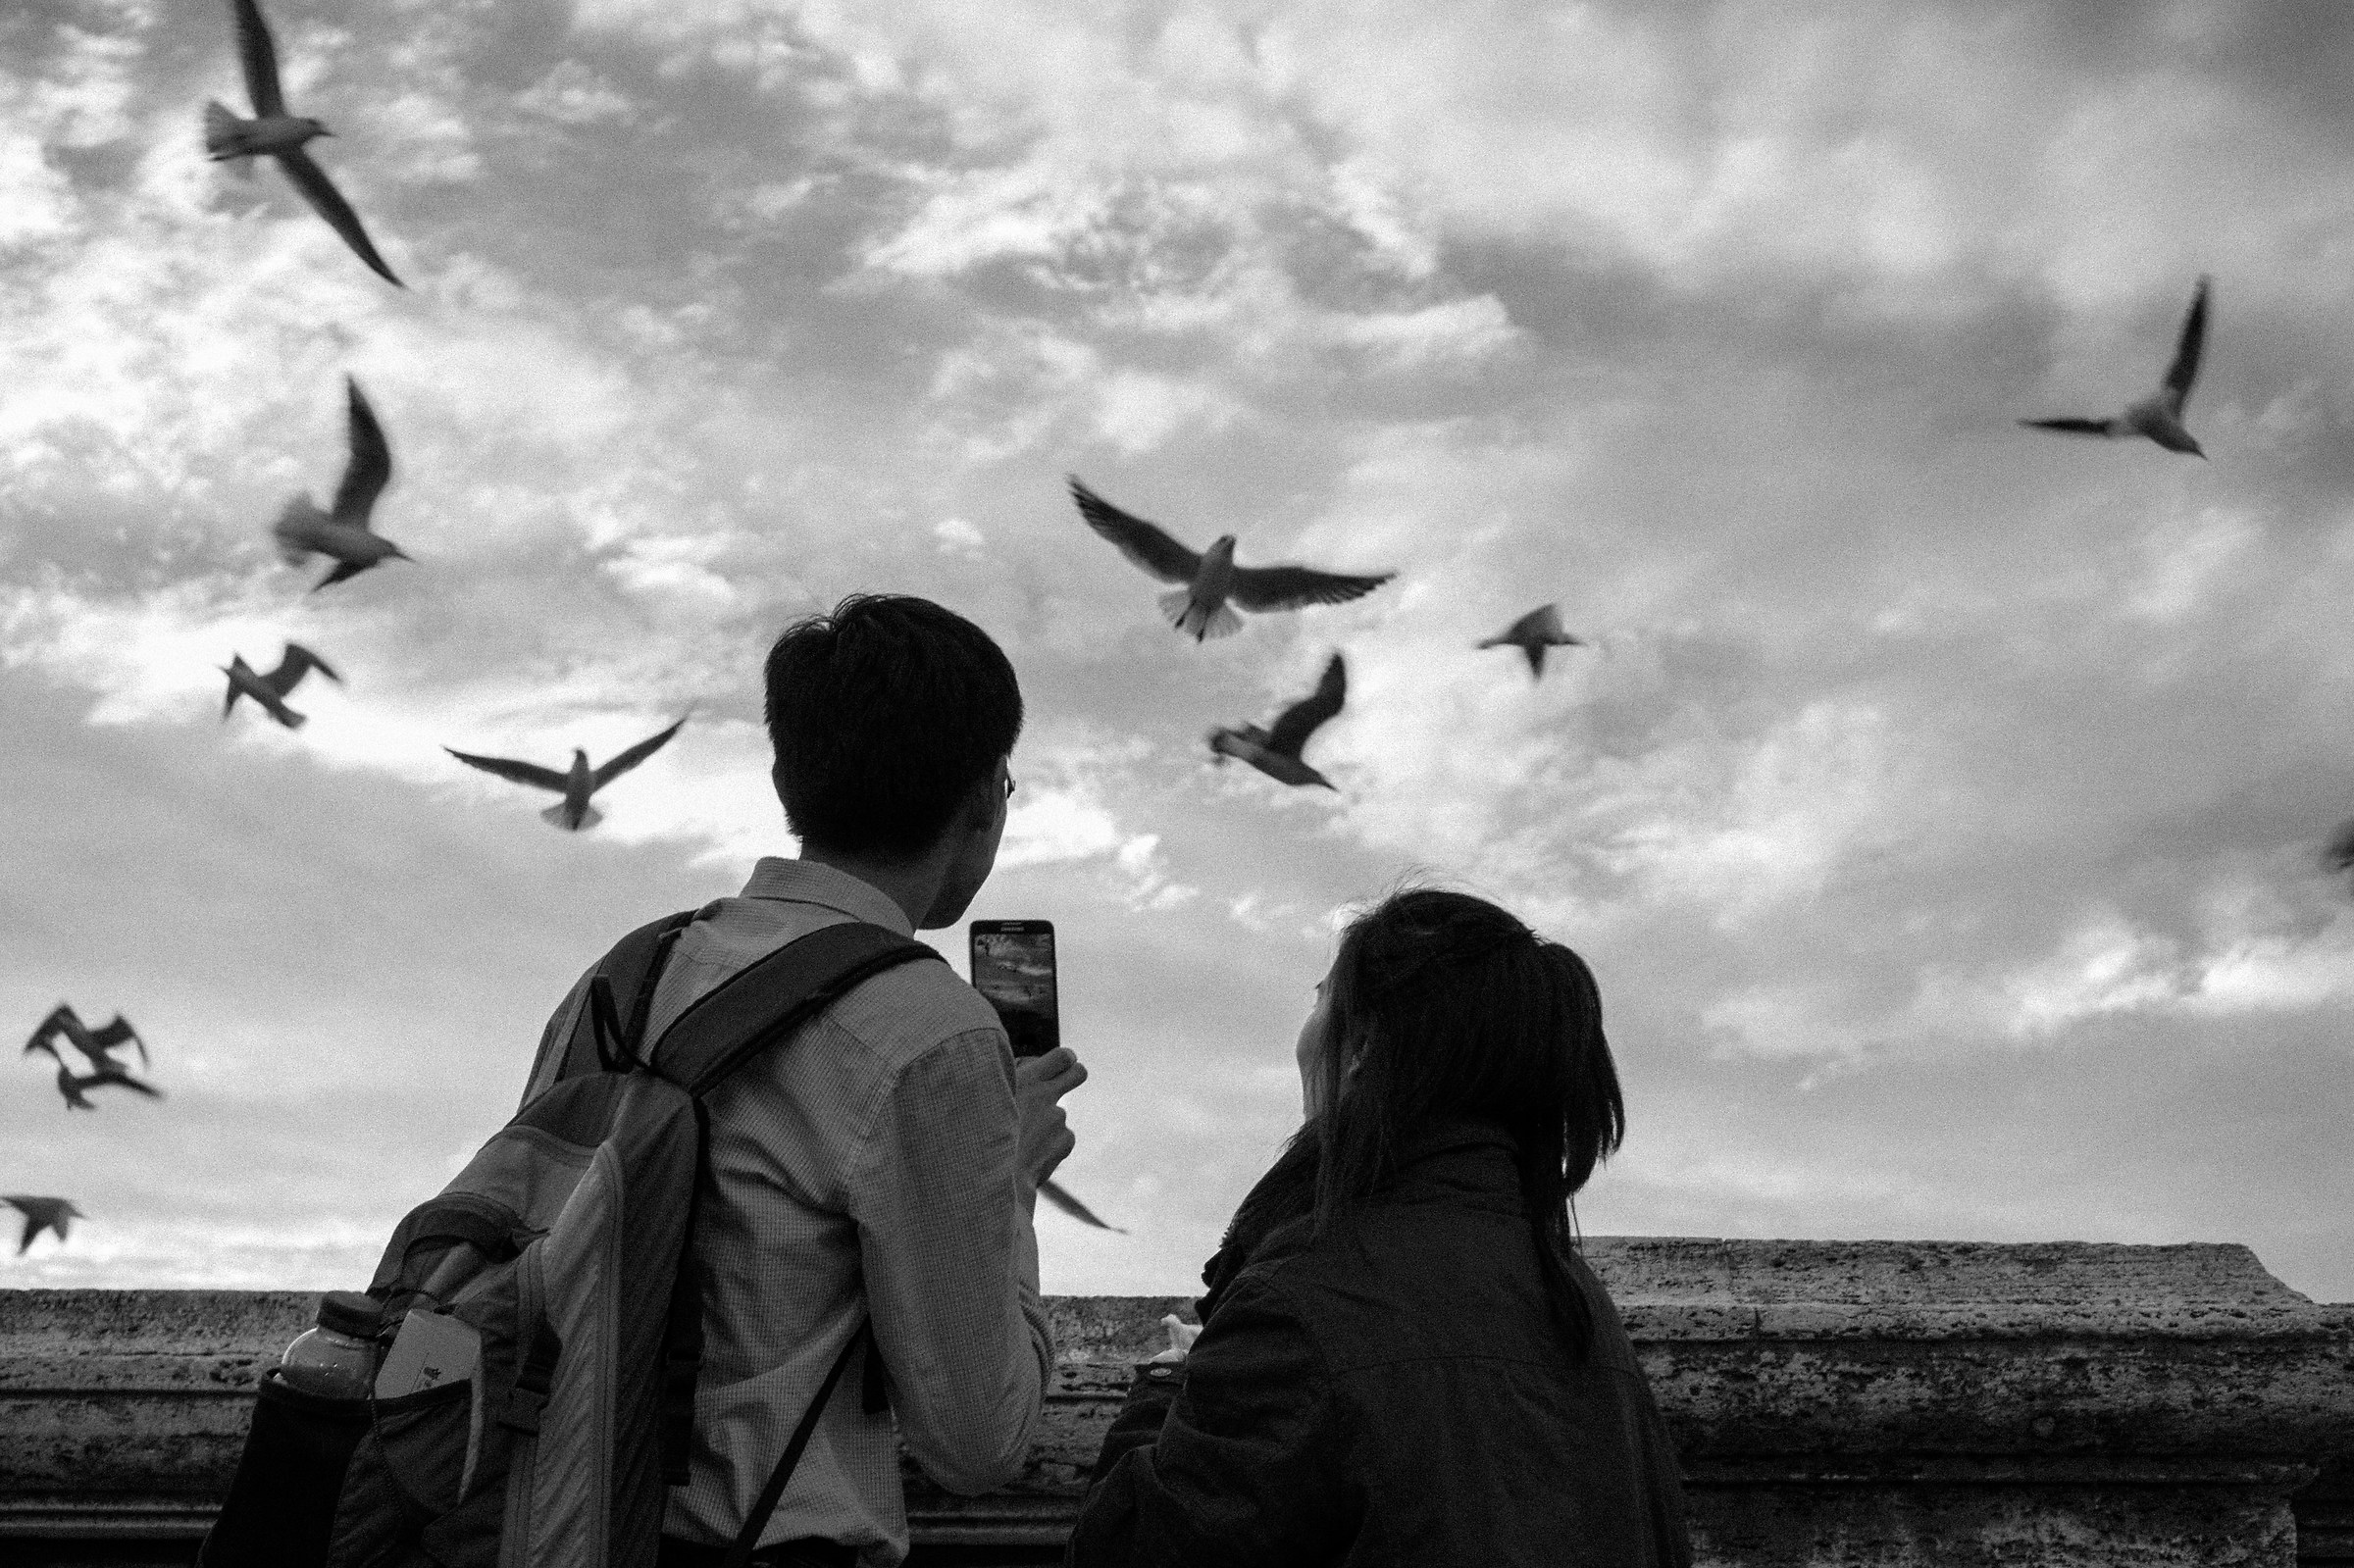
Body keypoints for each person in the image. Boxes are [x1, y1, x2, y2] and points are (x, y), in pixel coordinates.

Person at [517, 593, 1088, 1568]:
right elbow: (978, 1440)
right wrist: (1014, 1181)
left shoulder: (621, 976)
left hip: (552, 1531)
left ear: (787, 778)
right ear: (984, 801)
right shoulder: (929, 1029)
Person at [1067, 887, 1691, 1567]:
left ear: (1362, 1046)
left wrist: (1173, 1383)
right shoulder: (1577, 1298)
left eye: (1320, 997)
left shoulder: (1303, 1299)